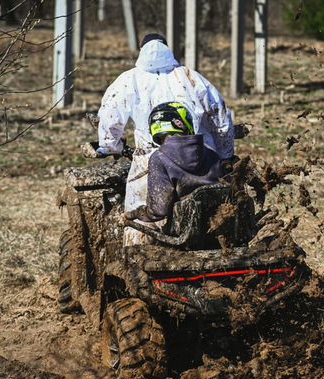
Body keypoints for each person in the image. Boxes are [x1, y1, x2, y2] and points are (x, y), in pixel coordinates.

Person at [95, 33, 234, 244]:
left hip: (150, 158)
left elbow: (109, 119)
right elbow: (221, 115)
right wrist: (225, 154)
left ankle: (137, 265)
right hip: (201, 153)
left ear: (141, 51)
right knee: (213, 214)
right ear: (168, 50)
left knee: (140, 223)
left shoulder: (128, 80)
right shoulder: (191, 76)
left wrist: (109, 146)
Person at [124, 102, 225, 224]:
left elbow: (160, 209)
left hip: (186, 228)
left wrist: (138, 213)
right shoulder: (211, 153)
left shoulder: (159, 158)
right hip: (221, 218)